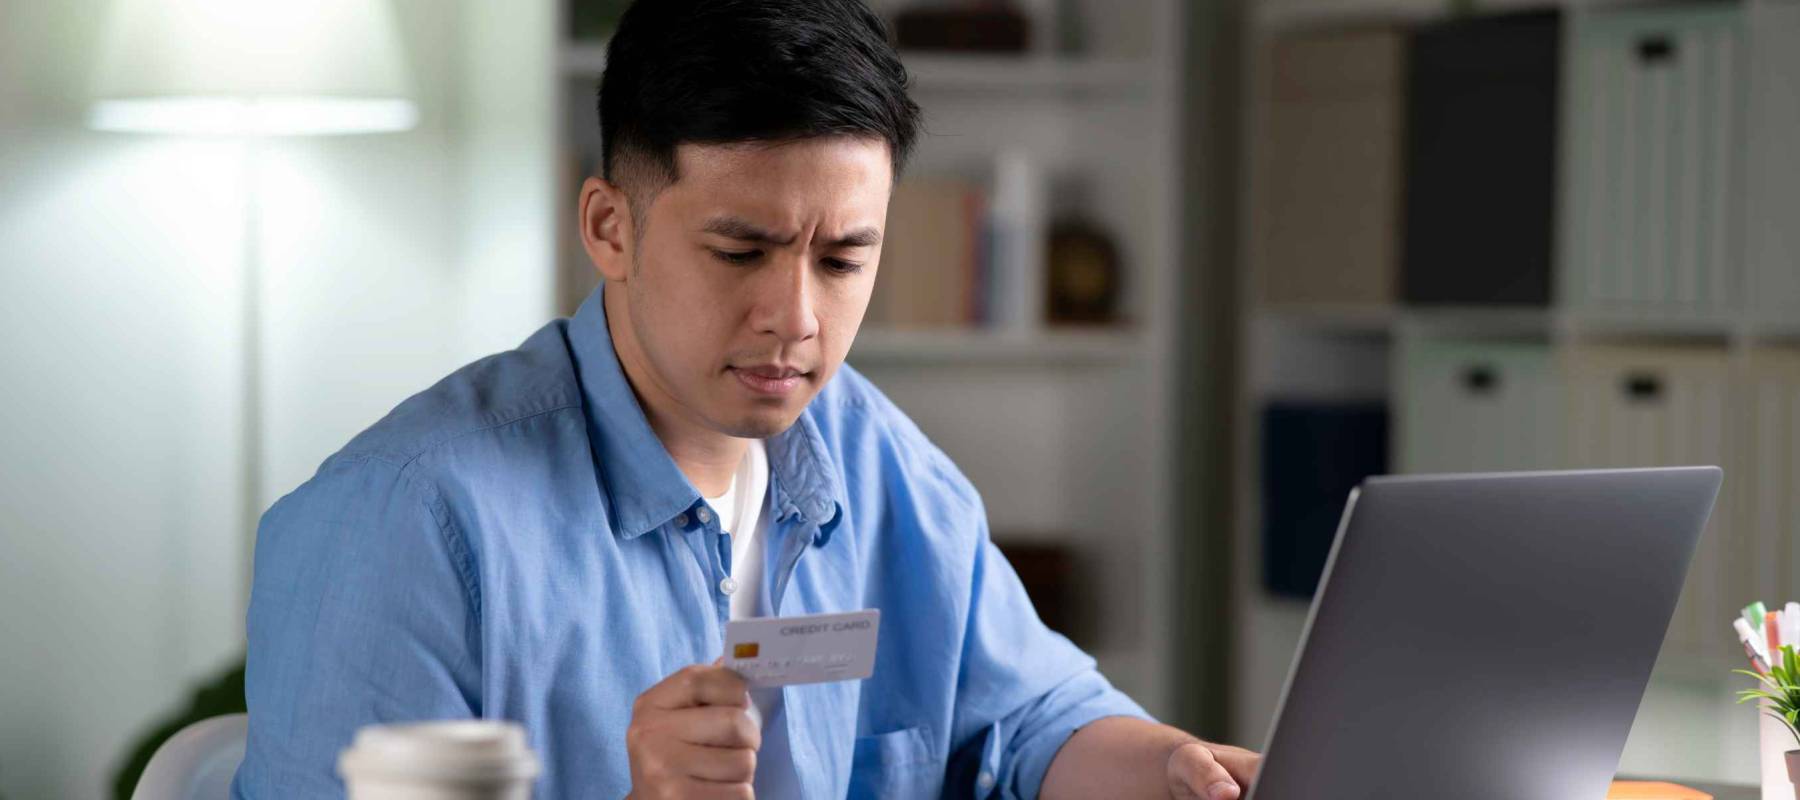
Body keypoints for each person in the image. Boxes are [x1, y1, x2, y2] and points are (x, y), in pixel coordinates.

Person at [231, 0, 1259, 797]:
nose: (796, 318)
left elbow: (1032, 722)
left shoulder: (873, 454)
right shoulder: (402, 525)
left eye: (843, 259)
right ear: (610, 228)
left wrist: (1173, 767)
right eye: (740, 251)